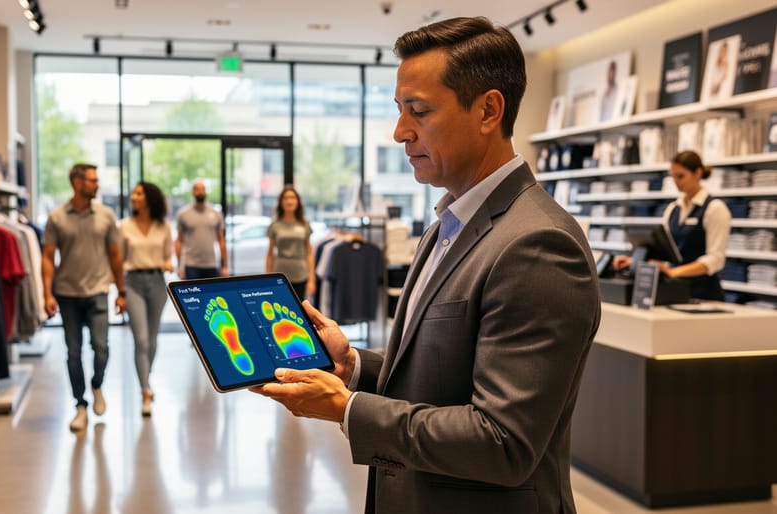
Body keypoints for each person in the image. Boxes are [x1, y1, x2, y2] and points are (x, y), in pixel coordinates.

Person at [253, 16, 601, 513]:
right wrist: (352, 365)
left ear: (488, 110)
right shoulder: (447, 224)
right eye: (399, 110)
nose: (399, 132)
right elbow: (440, 377)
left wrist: (346, 408)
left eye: (418, 111)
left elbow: (504, 442)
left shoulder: (538, 244)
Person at [42, 163, 126, 432]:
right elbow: (47, 257)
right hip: (67, 295)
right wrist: (47, 294)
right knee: (73, 353)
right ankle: (80, 405)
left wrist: (121, 292)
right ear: (77, 183)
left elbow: (115, 255)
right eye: (92, 180)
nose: (97, 184)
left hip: (99, 292)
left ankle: (97, 385)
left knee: (101, 348)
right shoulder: (56, 217)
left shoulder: (106, 215)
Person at [613, 150, 731, 300]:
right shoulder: (672, 209)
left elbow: (715, 259)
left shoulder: (715, 209)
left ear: (698, 173)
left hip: (704, 294)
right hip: (674, 292)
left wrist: (674, 272)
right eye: (673, 176)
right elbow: (665, 252)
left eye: (681, 176)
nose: (676, 182)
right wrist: (636, 261)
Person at [120, 181, 173, 416]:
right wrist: (120, 292)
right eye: (134, 193)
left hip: (157, 283)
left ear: (150, 198)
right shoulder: (124, 226)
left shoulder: (163, 227)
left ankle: (146, 379)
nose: (134, 197)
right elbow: (117, 260)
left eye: (139, 193)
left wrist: (169, 263)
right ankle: (144, 391)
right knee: (141, 340)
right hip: (133, 283)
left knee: (151, 341)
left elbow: (168, 255)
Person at [265, 185, 316, 300]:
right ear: (281, 202)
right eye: (286, 198)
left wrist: (312, 280)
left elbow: (309, 253)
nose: (289, 201)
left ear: (297, 201)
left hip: (300, 274)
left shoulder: (304, 224)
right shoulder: (275, 225)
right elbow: (270, 254)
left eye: (292, 197)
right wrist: (267, 278)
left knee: (299, 309)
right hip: (279, 274)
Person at [175, 180, 228, 279]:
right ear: (192, 192)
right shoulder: (183, 214)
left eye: (202, 189)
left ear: (205, 192)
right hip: (191, 265)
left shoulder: (216, 214)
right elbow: (179, 241)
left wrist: (225, 266)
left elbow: (221, 240)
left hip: (211, 264)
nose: (200, 192)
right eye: (197, 189)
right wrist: (179, 267)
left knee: (212, 294)